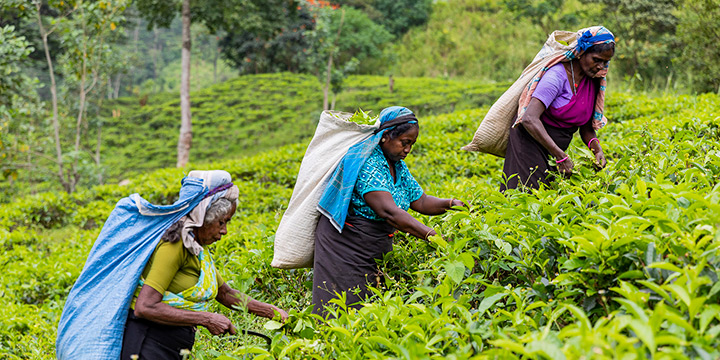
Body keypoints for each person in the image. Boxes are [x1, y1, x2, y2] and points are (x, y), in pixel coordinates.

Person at [313, 106, 466, 316]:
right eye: (404, 142)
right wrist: (433, 236)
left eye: (411, 144)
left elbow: (421, 201)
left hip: (372, 246)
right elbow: (390, 212)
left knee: (373, 309)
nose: (408, 150)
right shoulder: (367, 163)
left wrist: (451, 203)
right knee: (342, 309)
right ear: (385, 136)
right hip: (344, 247)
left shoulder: (396, 164)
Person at [120, 171, 288, 359]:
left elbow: (224, 293)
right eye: (221, 222)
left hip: (170, 345)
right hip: (147, 343)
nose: (224, 231)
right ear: (202, 218)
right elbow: (145, 306)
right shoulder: (175, 245)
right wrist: (207, 319)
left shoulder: (197, 248)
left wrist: (272, 312)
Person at [501, 26, 615, 191]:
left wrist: (597, 149)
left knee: (548, 197)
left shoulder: (592, 81)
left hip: (554, 149)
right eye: (596, 59)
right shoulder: (556, 76)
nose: (600, 66)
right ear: (581, 52)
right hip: (530, 141)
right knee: (527, 195)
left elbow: (586, 128)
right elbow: (529, 119)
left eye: (605, 62)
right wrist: (560, 157)